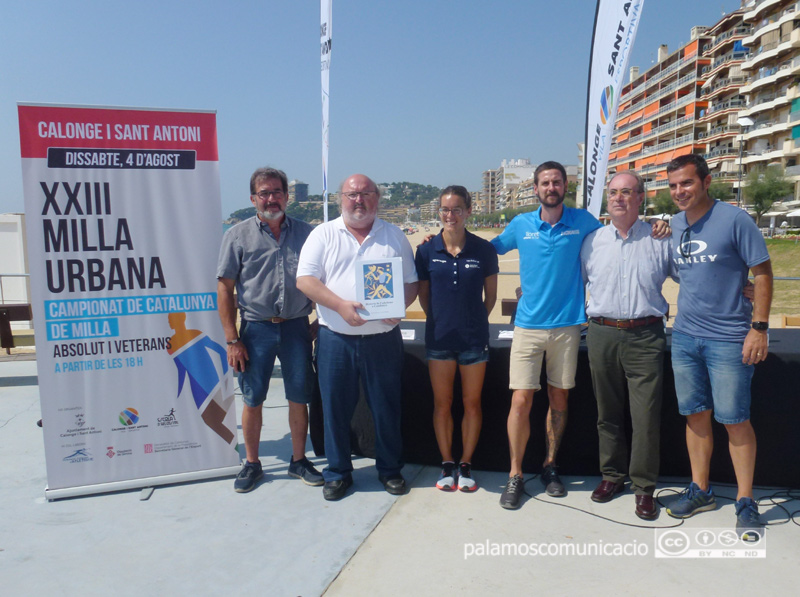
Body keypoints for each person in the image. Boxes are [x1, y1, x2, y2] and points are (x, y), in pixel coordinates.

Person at [664, 154, 772, 541]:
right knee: (695, 415)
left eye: (687, 183)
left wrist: (758, 328)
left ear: (707, 181)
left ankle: (745, 500)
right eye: (674, 185)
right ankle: (701, 490)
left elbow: (762, 273)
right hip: (686, 336)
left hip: (729, 338)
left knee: (734, 419)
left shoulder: (735, 220)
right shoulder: (675, 224)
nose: (679, 192)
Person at [296, 174, 419, 501]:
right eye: (352, 194)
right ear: (341, 199)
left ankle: (390, 469)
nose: (358, 200)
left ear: (377, 198)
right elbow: (305, 280)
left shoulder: (393, 236)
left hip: (383, 338)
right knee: (334, 409)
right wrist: (339, 305)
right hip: (335, 338)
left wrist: (400, 306)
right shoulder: (323, 234)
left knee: (386, 407)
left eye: (366, 194)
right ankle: (337, 473)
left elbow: (410, 283)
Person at [491, 161, 602, 509]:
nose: (551, 187)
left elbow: (615, 241)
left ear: (565, 186)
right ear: (535, 188)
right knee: (520, 401)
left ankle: (550, 466)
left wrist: (657, 228)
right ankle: (515, 474)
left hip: (568, 327)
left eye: (556, 182)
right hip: (527, 327)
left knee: (559, 401)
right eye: (544, 182)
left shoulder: (583, 221)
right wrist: (445, 237)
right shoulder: (521, 224)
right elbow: (488, 248)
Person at [217, 166, 323, 493]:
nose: (271, 198)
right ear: (253, 199)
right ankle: (252, 463)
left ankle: (298, 461)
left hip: (296, 329)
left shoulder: (308, 234)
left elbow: (329, 278)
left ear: (287, 196)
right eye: (264, 193)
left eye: (277, 192)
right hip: (254, 331)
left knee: (298, 397)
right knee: (252, 399)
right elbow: (225, 289)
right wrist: (232, 339)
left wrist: (321, 321)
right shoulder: (236, 236)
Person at [580, 171, 672, 520]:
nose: (619, 198)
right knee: (608, 413)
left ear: (640, 198)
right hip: (601, 333)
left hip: (646, 335)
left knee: (645, 416)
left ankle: (644, 487)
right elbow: (573, 281)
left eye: (627, 192)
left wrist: (741, 286)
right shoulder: (592, 241)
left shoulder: (660, 238)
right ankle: (611, 476)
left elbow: (692, 275)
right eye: (613, 192)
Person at [415, 185, 498, 492]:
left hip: (474, 340)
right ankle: (447, 464)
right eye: (445, 210)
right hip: (438, 339)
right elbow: (424, 298)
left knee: (472, 403)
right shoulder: (425, 251)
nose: (450, 215)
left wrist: (472, 321)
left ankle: (466, 464)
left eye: (457, 209)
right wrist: (443, 320)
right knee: (442, 404)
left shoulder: (484, 250)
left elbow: (490, 299)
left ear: (468, 211)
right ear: (440, 212)